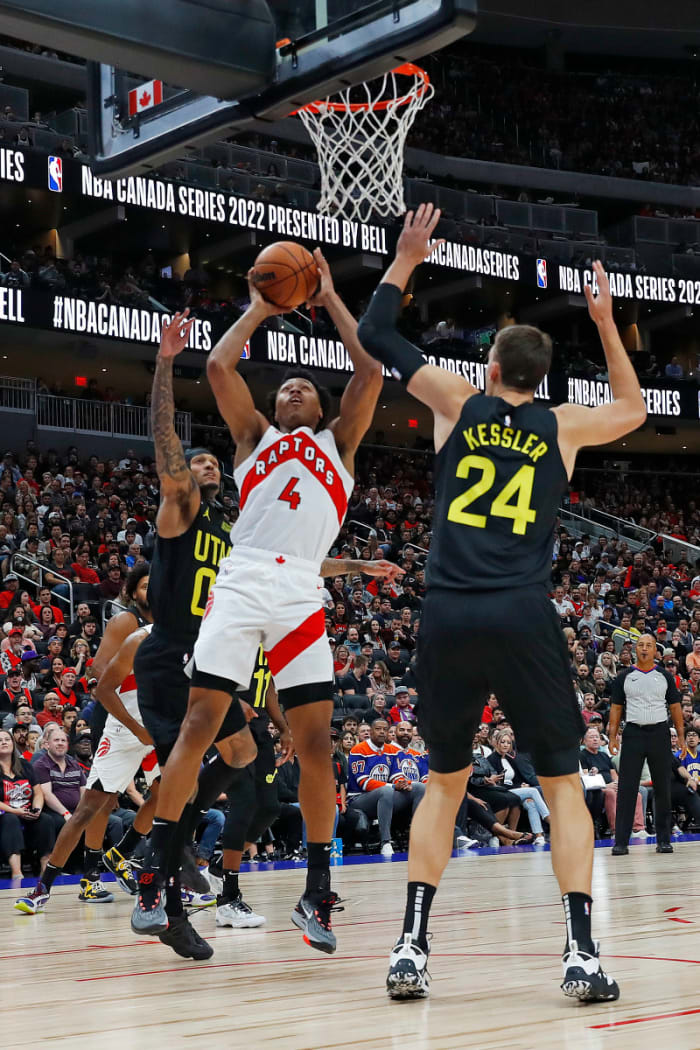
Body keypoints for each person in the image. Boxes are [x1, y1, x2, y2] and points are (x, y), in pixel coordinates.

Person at [358, 203, 647, 1002]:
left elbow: (379, 336)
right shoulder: (562, 426)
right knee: (562, 784)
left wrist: (408, 258)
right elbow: (636, 409)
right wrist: (607, 322)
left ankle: (411, 948)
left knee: (444, 783)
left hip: (449, 611)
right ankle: (581, 954)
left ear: (489, 366)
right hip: (522, 615)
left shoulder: (455, 401)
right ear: (540, 378)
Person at [134, 252, 383, 958]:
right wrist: (261, 307)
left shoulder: (341, 443)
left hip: (302, 587)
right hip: (242, 581)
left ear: (322, 406)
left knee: (312, 744)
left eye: (308, 386)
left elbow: (368, 373)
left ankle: (316, 887)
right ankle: (154, 872)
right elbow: (218, 369)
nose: (298, 390)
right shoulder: (254, 440)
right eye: (289, 388)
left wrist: (330, 298)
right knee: (200, 723)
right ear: (275, 408)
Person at [14, 623, 160, 914]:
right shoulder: (139, 635)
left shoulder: (194, 638)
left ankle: (123, 854)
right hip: (124, 731)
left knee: (170, 797)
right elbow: (101, 685)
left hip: (161, 731)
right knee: (90, 808)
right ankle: (43, 887)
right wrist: (139, 730)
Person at [607, 634, 684, 856]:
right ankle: (621, 841)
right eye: (640, 645)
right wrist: (612, 736)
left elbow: (676, 706)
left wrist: (679, 735)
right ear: (635, 649)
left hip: (659, 732)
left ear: (655, 651)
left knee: (662, 787)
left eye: (649, 645)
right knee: (627, 789)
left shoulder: (664, 677)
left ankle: (664, 840)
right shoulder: (625, 677)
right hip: (633, 733)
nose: (644, 648)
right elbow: (616, 708)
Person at [0, 728, 55, 879]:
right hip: (5, 814)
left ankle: (46, 868)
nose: (4, 742)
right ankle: (17, 872)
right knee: (9, 819)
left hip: (26, 812)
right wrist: (14, 810)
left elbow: (37, 792)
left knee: (45, 819)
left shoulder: (24, 765)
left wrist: (36, 809)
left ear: (12, 743)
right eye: (0, 740)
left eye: (6, 739)